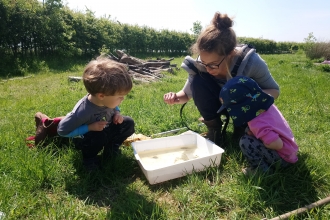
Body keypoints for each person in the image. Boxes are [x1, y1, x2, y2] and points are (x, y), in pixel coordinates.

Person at [163, 12, 280, 146]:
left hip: (246, 107)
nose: (207, 68)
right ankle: (214, 128)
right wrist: (174, 97)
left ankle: (242, 128)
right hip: (219, 105)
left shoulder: (251, 62)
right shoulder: (203, 64)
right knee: (198, 80)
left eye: (213, 64)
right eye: (204, 63)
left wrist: (251, 98)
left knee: (237, 87)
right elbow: (187, 93)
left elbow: (274, 91)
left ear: (230, 54)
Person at [57, 56, 135, 171]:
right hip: (88, 137)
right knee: (98, 136)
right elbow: (62, 131)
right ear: (101, 96)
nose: (122, 99)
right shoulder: (82, 112)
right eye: (120, 96)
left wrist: (117, 113)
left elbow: (114, 106)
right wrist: (89, 127)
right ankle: (89, 159)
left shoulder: (107, 100)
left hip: (105, 128)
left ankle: (112, 148)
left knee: (128, 123)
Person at [217, 76, 299, 174]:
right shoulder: (266, 107)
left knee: (245, 141)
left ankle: (260, 170)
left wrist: (262, 140)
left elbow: (277, 144)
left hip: (283, 159)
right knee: (248, 133)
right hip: (290, 151)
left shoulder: (257, 123)